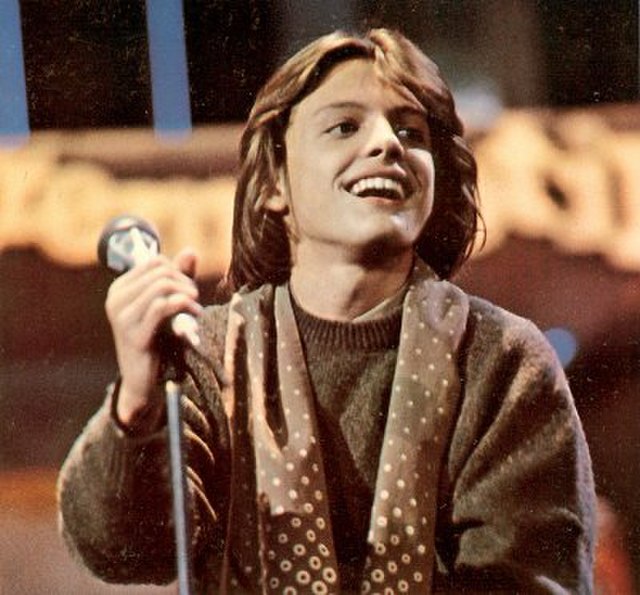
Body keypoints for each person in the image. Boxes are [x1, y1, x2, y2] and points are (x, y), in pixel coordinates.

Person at [57, 28, 596, 594]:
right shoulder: (208, 355)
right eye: (345, 126)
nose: (387, 144)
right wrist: (136, 407)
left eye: (411, 132)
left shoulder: (501, 359)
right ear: (275, 182)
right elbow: (121, 551)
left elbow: (531, 582)